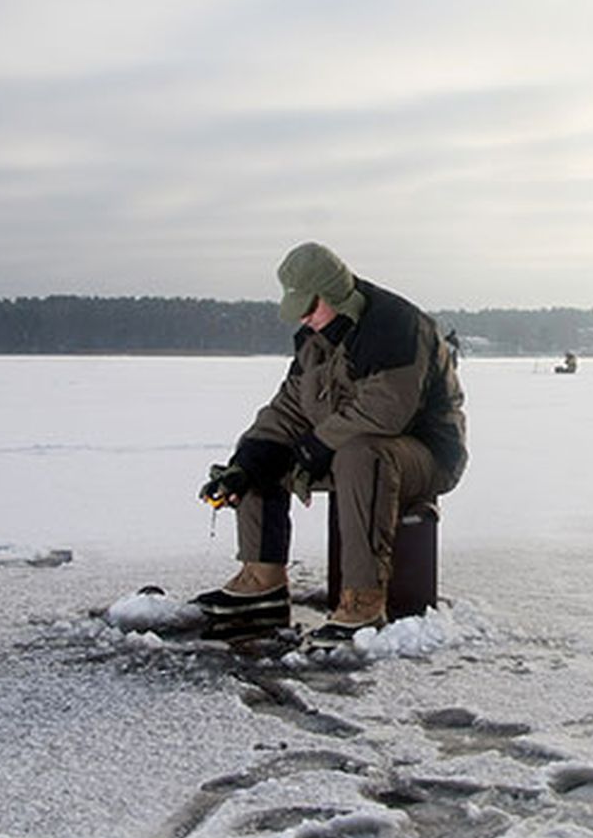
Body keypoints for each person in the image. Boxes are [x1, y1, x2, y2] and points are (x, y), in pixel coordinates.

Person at [195, 242, 467, 643]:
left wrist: (315, 447)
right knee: (264, 457)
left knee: (362, 455)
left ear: (334, 293)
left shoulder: (396, 326)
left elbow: (386, 412)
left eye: (309, 307)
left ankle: (362, 601)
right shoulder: (314, 339)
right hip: (347, 451)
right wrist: (246, 461)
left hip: (425, 455)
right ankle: (262, 580)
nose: (303, 318)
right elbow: (288, 408)